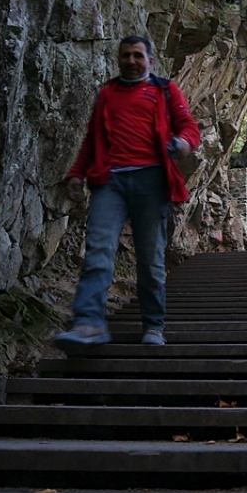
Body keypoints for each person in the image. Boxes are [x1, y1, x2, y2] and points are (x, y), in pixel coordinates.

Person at [56, 36, 200, 351]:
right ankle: (90, 323)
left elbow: (189, 126)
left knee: (150, 260)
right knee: (98, 252)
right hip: (110, 183)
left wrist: (183, 143)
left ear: (150, 60)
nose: (131, 61)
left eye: (138, 55)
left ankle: (153, 325)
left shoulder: (164, 90)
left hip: (152, 181)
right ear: (118, 59)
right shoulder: (107, 94)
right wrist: (77, 173)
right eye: (125, 56)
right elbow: (91, 138)